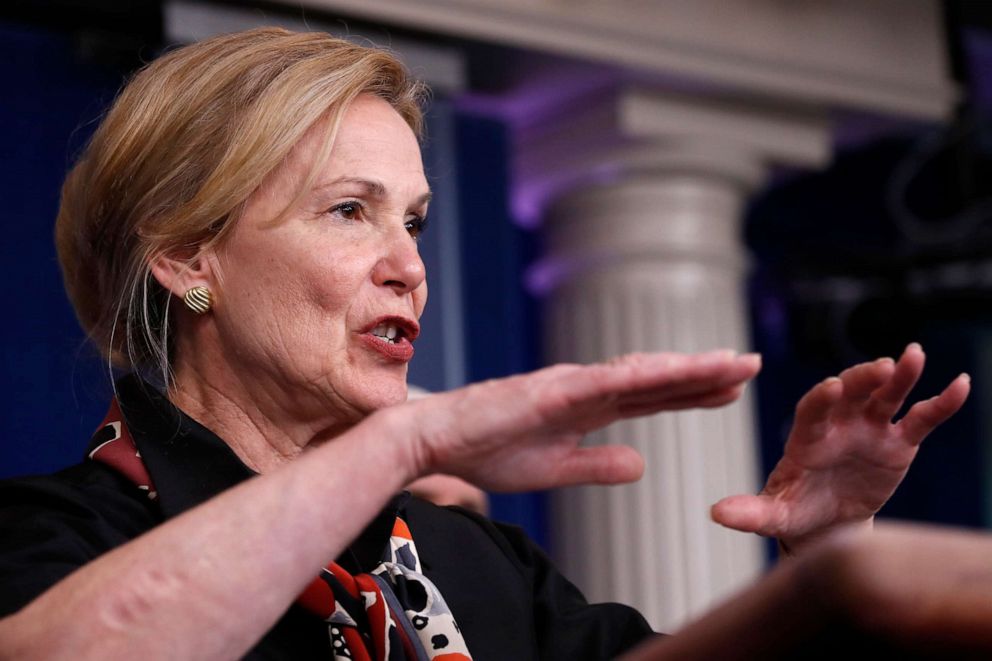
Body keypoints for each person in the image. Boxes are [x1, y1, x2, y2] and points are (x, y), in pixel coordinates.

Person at [0, 27, 970, 660]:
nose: (406, 266)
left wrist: (825, 555)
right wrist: (403, 443)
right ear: (184, 258)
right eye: (348, 211)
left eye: (413, 223)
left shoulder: (465, 559)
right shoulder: (57, 538)